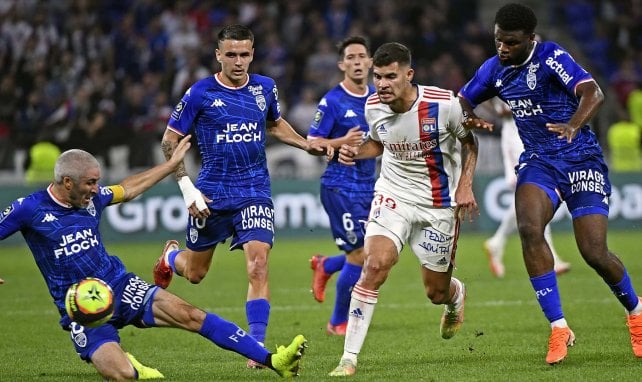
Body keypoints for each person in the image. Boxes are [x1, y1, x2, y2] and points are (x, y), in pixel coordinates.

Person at [0, 136, 307, 380]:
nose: (96, 189)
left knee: (192, 315)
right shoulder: (30, 208)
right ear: (68, 182)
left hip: (118, 283)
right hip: (82, 306)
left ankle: (272, 360)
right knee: (122, 375)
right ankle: (129, 363)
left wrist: (172, 165)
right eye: (90, 183)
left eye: (97, 182)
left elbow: (129, 188)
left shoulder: (93, 199)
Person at [458, 2, 642, 365]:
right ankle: (559, 327)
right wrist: (467, 116)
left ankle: (636, 314)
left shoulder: (552, 56)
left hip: (581, 159)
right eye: (498, 40)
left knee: (594, 253)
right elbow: (464, 97)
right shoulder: (494, 69)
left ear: (530, 39)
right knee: (529, 228)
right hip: (540, 161)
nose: (502, 48)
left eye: (510, 42)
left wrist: (573, 125)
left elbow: (594, 93)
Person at [151, 24, 331, 369]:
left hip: (254, 190)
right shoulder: (199, 93)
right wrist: (187, 187)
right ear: (218, 55)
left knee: (258, 264)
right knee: (195, 274)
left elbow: (275, 124)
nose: (238, 61)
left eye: (244, 54)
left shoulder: (265, 87)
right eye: (230, 54)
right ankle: (172, 257)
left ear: (252, 53)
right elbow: (169, 141)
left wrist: (307, 143)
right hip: (212, 194)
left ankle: (256, 346)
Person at [328, 42, 479, 377]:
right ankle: (348, 359)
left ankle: (456, 296)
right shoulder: (373, 106)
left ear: (408, 75)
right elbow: (379, 143)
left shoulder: (444, 105)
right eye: (378, 76)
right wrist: (356, 152)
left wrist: (466, 184)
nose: (382, 83)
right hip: (392, 195)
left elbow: (471, 143)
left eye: (390, 76)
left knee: (435, 292)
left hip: (438, 204)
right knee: (375, 265)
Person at [306, 35, 376, 336]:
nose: (357, 62)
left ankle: (326, 265)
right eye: (351, 57)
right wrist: (340, 142)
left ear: (370, 62)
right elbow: (311, 143)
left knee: (374, 254)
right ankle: (337, 322)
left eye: (362, 56)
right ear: (342, 64)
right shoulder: (332, 101)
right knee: (359, 255)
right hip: (338, 186)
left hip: (368, 187)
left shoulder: (377, 97)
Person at [483, 98, 571, 278]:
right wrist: (499, 111)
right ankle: (551, 256)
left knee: (531, 198)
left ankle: (497, 241)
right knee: (536, 194)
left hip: (529, 135)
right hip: (515, 138)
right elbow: (475, 94)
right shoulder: (499, 74)